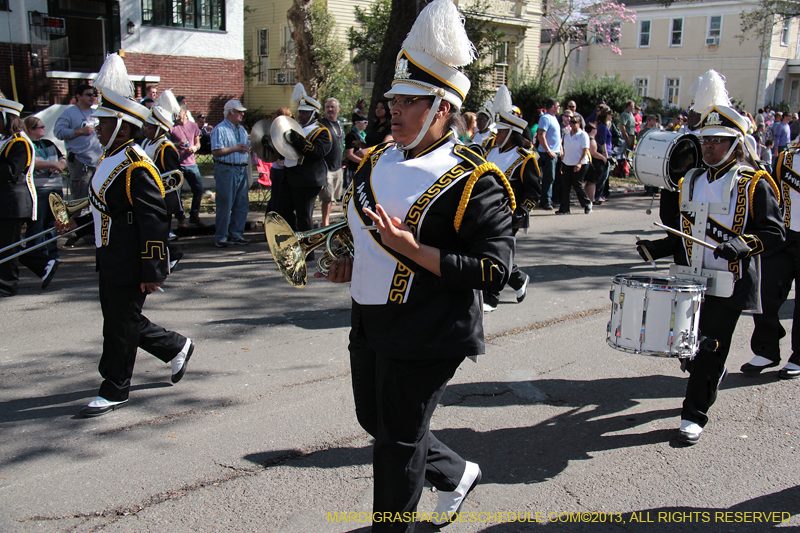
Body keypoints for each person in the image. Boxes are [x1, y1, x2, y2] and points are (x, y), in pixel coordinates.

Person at [317, 0, 515, 527]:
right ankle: (455, 472)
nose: (394, 111)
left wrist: (412, 250)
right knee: (374, 420)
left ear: (441, 108)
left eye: (409, 102)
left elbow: (494, 271)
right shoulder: (379, 159)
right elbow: (358, 227)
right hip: (370, 318)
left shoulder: (478, 180)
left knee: (397, 443)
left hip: (430, 328)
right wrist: (345, 259)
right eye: (394, 101)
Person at [636, 102, 784, 445]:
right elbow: (685, 232)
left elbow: (774, 232)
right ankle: (711, 370)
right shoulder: (689, 180)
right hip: (689, 279)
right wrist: (657, 248)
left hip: (729, 282)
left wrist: (743, 244)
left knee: (709, 348)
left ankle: (693, 415)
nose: (709, 146)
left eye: (718, 140)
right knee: (687, 347)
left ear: (735, 144)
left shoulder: (754, 183)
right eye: (705, 140)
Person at [56, 56, 193, 417]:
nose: (96, 127)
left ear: (121, 126)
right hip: (111, 254)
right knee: (121, 318)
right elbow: (110, 211)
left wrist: (153, 270)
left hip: (132, 259)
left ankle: (115, 387)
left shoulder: (136, 165)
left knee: (120, 323)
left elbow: (154, 220)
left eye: (102, 122)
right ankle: (176, 347)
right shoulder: (110, 159)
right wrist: (76, 226)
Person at [481, 86, 540, 312]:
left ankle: (491, 296)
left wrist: (524, 210)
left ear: (512, 133)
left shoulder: (524, 159)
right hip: (485, 209)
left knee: (496, 252)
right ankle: (518, 279)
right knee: (488, 250)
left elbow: (534, 191)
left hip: (508, 214)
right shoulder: (489, 150)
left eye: (502, 132)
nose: (497, 135)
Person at [745, 143, 800, 379]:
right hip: (786, 236)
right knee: (765, 293)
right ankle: (767, 349)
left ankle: (799, 355)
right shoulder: (785, 158)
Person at [0, 99, 59, 297]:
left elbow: (10, 171)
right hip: (7, 201)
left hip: (14, 201)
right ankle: (43, 264)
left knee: (8, 245)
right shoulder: (6, 141)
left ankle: (7, 285)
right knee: (10, 243)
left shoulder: (20, 142)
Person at [276, 84, 332, 236]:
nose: (300, 115)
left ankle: (308, 251)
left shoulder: (322, 131)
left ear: (314, 114)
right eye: (300, 111)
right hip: (289, 175)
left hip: (308, 179)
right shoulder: (292, 127)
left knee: (304, 216)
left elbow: (317, 152)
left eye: (305, 112)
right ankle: (292, 244)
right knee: (283, 212)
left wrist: (298, 140)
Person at [141, 99, 184, 268]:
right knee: (152, 231)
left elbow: (174, 176)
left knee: (160, 232)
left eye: (149, 127)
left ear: (159, 128)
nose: (145, 130)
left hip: (163, 198)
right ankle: (161, 260)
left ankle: (171, 256)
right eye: (145, 126)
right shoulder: (146, 143)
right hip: (149, 195)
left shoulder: (166, 147)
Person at [23, 115, 66, 262]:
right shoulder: (25, 145)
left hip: (55, 187)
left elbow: (62, 157)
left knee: (54, 222)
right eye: (40, 127)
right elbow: (30, 163)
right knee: (37, 223)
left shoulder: (48, 143)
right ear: (30, 129)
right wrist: (51, 165)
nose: (43, 129)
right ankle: (37, 256)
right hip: (39, 189)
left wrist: (59, 164)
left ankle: (52, 254)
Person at [53, 84, 103, 204]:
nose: (92, 97)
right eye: (88, 95)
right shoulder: (69, 113)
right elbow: (58, 132)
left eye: (94, 95)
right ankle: (75, 221)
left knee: (97, 197)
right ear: (78, 96)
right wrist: (80, 131)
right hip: (80, 162)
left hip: (98, 162)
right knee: (80, 198)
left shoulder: (97, 112)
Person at [210, 99, 251, 247]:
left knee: (241, 203)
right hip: (226, 168)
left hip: (241, 167)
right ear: (230, 112)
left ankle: (236, 234)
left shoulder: (241, 129)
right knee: (225, 202)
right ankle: (221, 236)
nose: (241, 114)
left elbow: (247, 145)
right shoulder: (219, 129)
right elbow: (215, 151)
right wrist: (235, 148)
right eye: (239, 112)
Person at [170, 105, 206, 227]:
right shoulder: (171, 127)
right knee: (177, 192)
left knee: (198, 189)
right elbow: (167, 145)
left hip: (191, 163)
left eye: (178, 111)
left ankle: (194, 215)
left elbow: (198, 143)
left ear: (185, 112)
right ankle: (180, 218)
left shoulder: (193, 126)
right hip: (177, 164)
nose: (176, 113)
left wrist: (194, 148)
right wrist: (176, 144)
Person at [558, 114, 592, 214]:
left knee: (577, 184)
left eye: (574, 122)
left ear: (579, 124)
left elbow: (585, 150)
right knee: (565, 186)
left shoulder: (583, 135)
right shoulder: (567, 135)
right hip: (567, 163)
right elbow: (565, 150)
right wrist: (562, 163)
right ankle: (564, 208)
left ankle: (587, 203)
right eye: (570, 122)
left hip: (580, 163)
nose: (572, 124)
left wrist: (580, 163)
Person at [318, 97, 344, 226]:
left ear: (337, 109)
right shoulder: (321, 124)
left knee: (334, 198)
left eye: (332, 107)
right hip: (325, 167)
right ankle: (325, 223)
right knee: (327, 198)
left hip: (338, 167)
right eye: (327, 107)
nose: (330, 109)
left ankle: (326, 221)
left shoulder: (340, 124)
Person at [537, 98, 562, 210]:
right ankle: (546, 200)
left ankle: (550, 198)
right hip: (547, 154)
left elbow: (558, 137)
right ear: (552, 106)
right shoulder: (545, 118)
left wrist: (560, 148)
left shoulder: (554, 118)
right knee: (548, 177)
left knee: (553, 177)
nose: (559, 108)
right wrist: (548, 150)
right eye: (558, 105)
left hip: (555, 152)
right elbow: (541, 135)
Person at [266, 107, 292, 214]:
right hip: (278, 169)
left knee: (281, 198)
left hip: (284, 167)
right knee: (276, 198)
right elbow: (270, 147)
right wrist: (277, 160)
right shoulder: (275, 131)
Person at [344, 117, 368, 193]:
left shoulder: (364, 134)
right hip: (353, 168)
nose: (366, 124)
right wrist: (364, 161)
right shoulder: (351, 135)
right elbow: (349, 154)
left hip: (362, 168)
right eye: (364, 122)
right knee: (352, 191)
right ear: (356, 122)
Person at [584, 124, 606, 204]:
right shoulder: (591, 140)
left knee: (589, 182)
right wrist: (603, 158)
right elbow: (593, 152)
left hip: (592, 164)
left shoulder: (589, 139)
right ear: (592, 130)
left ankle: (587, 198)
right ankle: (592, 199)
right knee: (592, 182)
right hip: (594, 164)